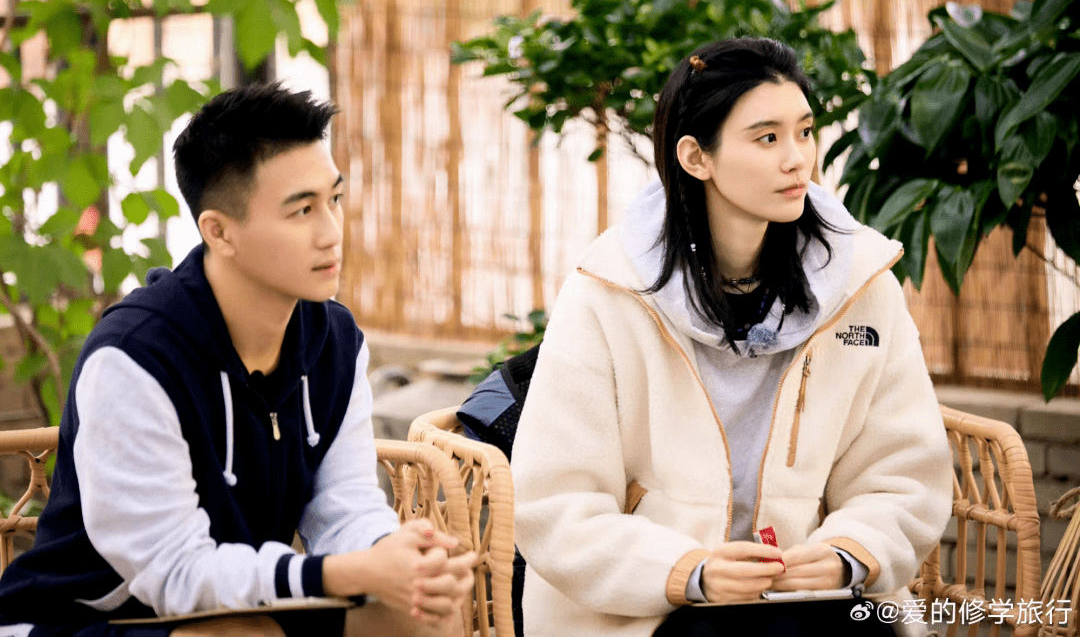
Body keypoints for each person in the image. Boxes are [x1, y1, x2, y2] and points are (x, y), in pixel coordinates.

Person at [509, 38, 953, 637]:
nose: (797, 159)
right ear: (696, 157)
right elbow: (556, 505)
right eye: (767, 138)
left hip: (811, 598)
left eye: (805, 132)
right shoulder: (609, 292)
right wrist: (690, 571)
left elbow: (903, 475)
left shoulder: (861, 285)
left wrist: (848, 554)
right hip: (648, 611)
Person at [0, 83, 474, 637]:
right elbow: (175, 575)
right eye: (302, 210)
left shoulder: (335, 343)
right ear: (219, 231)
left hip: (239, 603)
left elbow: (344, 508)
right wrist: (342, 574)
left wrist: (394, 555)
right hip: (78, 619)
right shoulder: (134, 359)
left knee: (424, 615)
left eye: (335, 200)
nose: (331, 233)